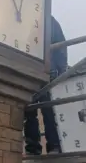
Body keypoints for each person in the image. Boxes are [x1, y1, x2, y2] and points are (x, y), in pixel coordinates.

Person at [24, 15, 68, 155]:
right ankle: (38, 147)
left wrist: (61, 71)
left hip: (47, 71)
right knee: (31, 111)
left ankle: (50, 146)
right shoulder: (45, 21)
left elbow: (61, 47)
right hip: (34, 70)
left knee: (46, 110)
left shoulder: (50, 22)